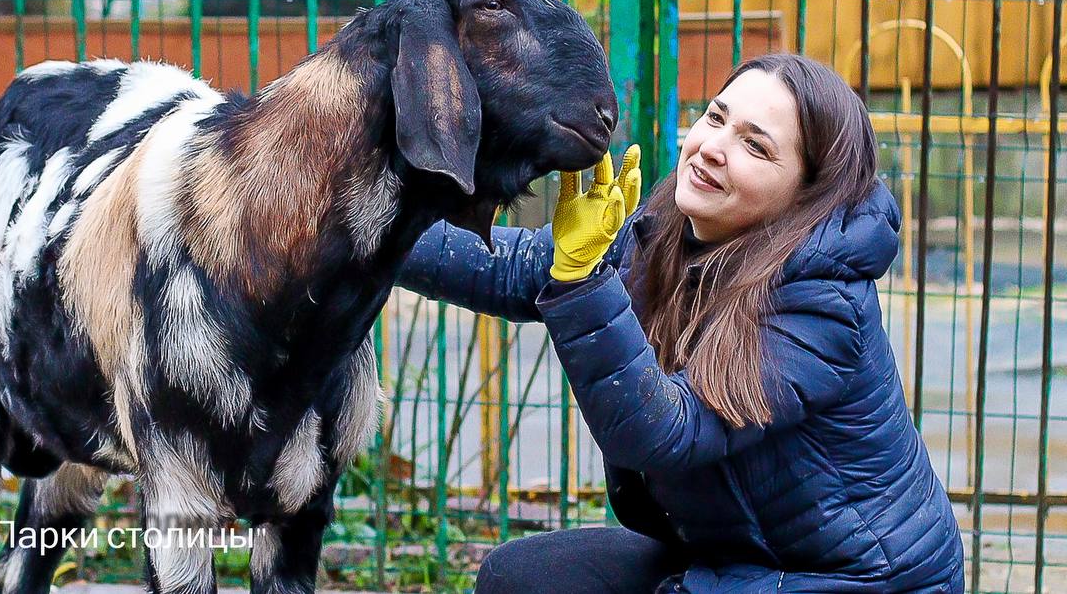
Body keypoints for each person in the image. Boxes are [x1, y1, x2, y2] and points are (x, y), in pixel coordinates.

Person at [396, 53, 964, 593]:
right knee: (523, 579)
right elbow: (508, 267)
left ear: (806, 193)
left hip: (859, 579)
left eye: (755, 147)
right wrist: (355, 223)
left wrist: (581, 281)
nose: (713, 147)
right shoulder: (661, 230)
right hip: (739, 555)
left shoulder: (820, 301)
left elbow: (666, 432)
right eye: (716, 117)